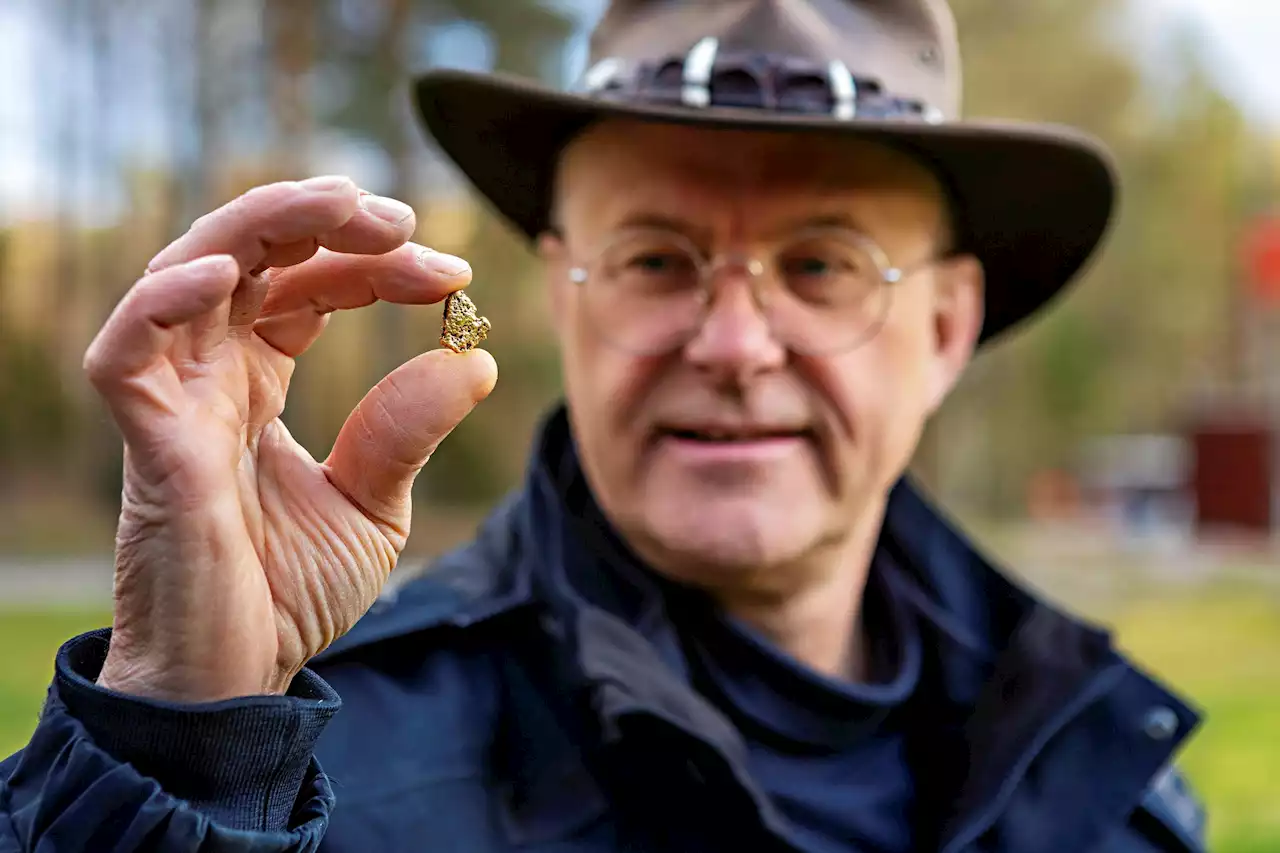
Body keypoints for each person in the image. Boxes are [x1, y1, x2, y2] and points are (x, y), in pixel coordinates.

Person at [0, 1, 1208, 851]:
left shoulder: (1107, 774)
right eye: (653, 258)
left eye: (822, 264)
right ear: (559, 291)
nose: (733, 344)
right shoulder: (307, 769)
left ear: (944, 329)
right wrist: (177, 745)